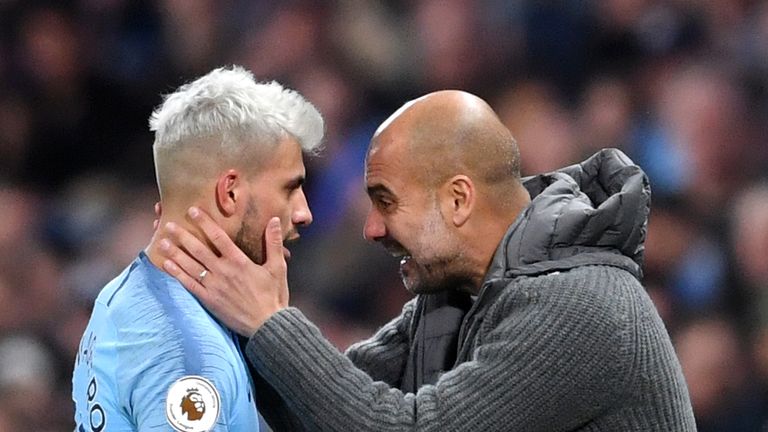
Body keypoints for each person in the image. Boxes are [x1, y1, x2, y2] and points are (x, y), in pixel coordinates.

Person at [158, 90, 697, 430]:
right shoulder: (460, 294)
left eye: (385, 200)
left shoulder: (579, 306)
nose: (371, 229)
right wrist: (223, 305)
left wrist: (270, 321)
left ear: (458, 199)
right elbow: (319, 406)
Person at [72, 66, 324, 431]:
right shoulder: (188, 357)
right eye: (290, 188)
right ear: (230, 192)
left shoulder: (121, 294)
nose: (304, 213)